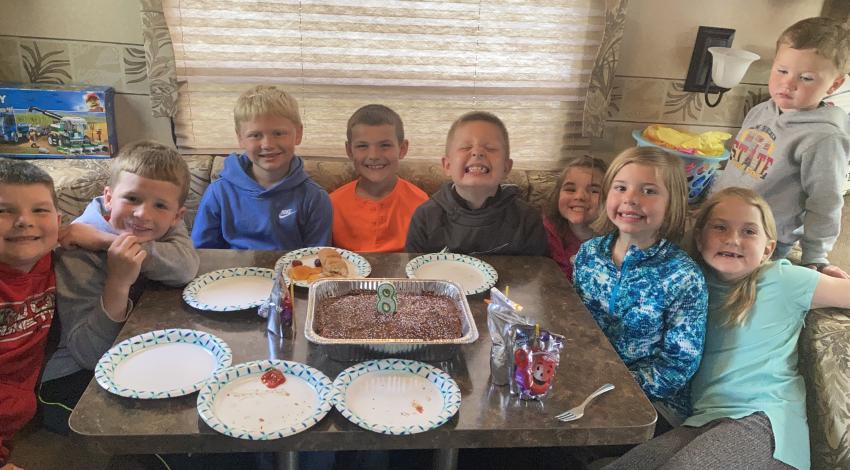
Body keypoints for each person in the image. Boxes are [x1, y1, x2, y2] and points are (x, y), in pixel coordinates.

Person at [604, 187, 850, 470]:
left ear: (767, 248)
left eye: (749, 232)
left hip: (764, 421)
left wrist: (834, 276)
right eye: (720, 227)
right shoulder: (688, 284)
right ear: (699, 237)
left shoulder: (784, 280)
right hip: (702, 421)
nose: (733, 239)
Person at [39, 140, 200, 432]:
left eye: (160, 206)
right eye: (132, 199)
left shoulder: (163, 224)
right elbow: (87, 354)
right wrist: (118, 281)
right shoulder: (75, 250)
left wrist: (108, 241)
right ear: (109, 197)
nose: (143, 214)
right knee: (174, 435)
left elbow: (184, 268)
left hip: (136, 354)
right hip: (71, 381)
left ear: (177, 215)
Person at [574, 147, 708, 423]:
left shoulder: (683, 277)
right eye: (620, 187)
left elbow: (678, 365)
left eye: (648, 191)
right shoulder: (588, 254)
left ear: (672, 204)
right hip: (582, 385)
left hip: (650, 406)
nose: (631, 199)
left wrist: (614, 388)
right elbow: (573, 324)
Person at [710, 17, 850, 279]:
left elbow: (825, 202)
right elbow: (737, 168)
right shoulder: (761, 110)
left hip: (760, 243)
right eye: (781, 71)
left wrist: (816, 256)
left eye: (806, 78)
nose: (788, 83)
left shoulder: (824, 137)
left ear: (834, 84)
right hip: (720, 223)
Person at [191, 85, 332, 249]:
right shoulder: (219, 193)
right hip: (233, 274)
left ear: (298, 134)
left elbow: (317, 261)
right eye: (255, 135)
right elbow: (202, 254)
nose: (267, 144)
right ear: (240, 138)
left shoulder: (315, 198)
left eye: (278, 133)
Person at [405, 111, 547, 255]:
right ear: (447, 166)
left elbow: (536, 274)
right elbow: (415, 271)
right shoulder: (425, 216)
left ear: (506, 167)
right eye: (466, 147)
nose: (477, 152)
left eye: (490, 148)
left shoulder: (527, 219)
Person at [0, 159, 61, 470]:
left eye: (40, 210)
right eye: (3, 211)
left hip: (20, 404)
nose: (24, 221)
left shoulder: (52, 255)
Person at [330, 104, 428, 252]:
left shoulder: (421, 204)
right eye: (362, 146)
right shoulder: (331, 205)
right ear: (349, 151)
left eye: (385, 145)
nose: (374, 156)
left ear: (402, 149)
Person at [544, 155, 607, 282]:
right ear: (557, 195)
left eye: (594, 191)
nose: (580, 196)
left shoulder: (616, 244)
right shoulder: (544, 232)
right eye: (570, 189)